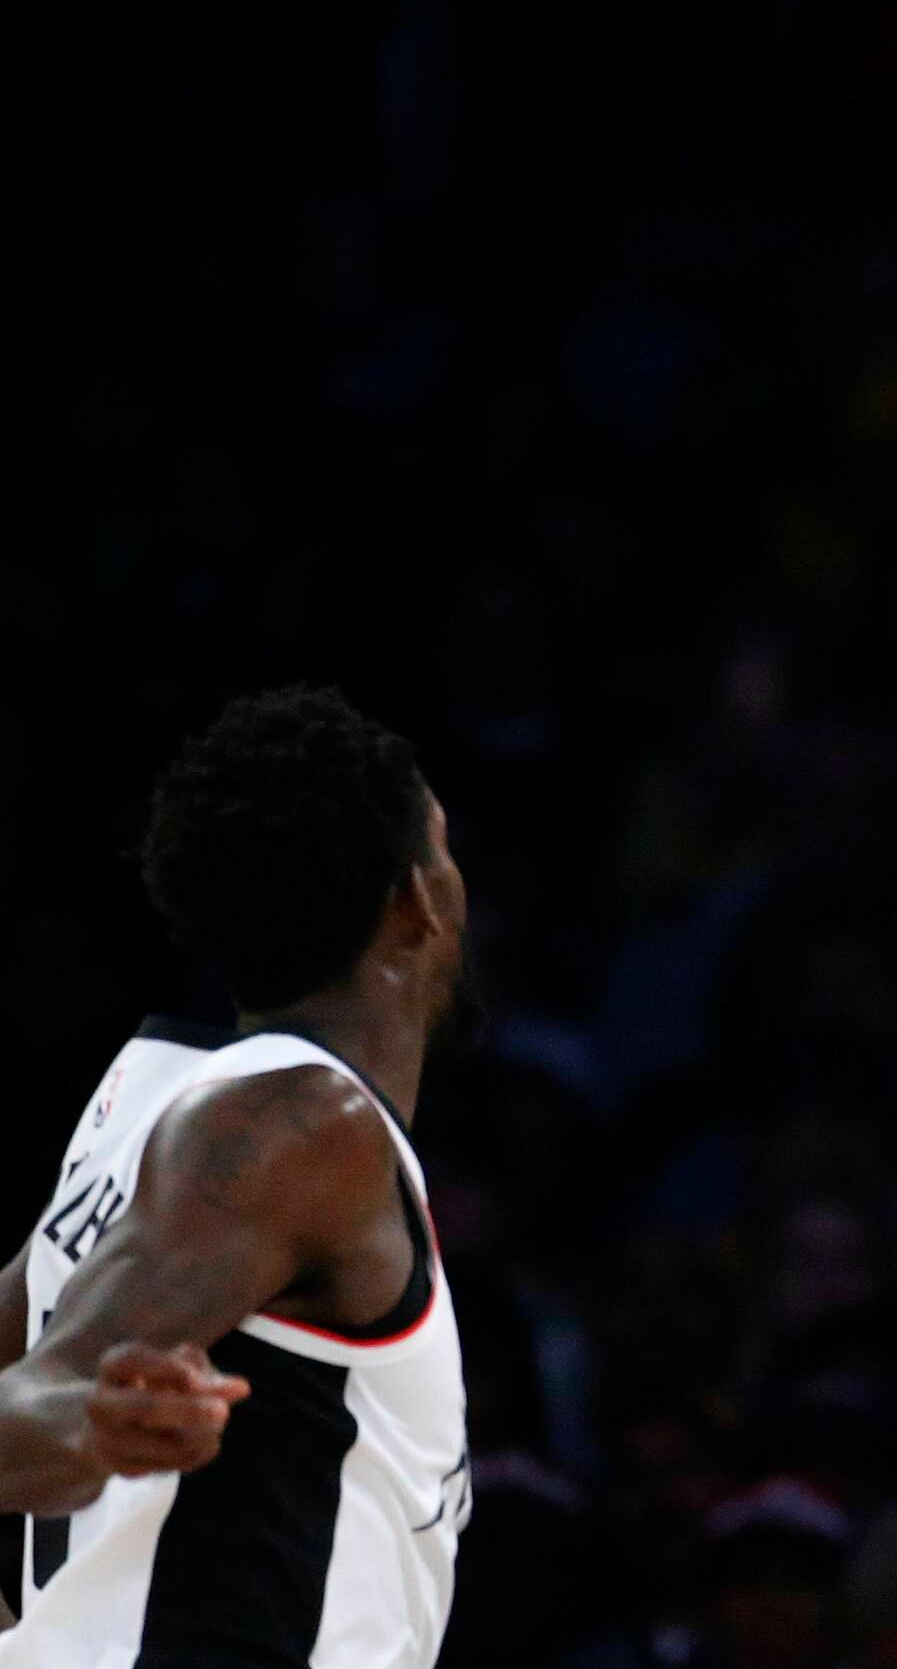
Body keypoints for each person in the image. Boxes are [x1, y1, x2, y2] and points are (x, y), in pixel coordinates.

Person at [0, 686, 477, 1666]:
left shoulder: (147, 1100)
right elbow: (47, 1388)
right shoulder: (305, 1128)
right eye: (442, 846)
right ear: (415, 898)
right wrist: (91, 1424)